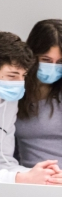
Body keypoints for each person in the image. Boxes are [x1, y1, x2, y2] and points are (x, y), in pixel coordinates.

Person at [0, 31, 60, 184]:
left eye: (24, 76)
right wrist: (21, 178)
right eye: (12, 76)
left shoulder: (9, 102)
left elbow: (2, 161)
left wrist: (43, 175)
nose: (20, 82)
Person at [16, 19, 62, 185]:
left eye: (60, 62)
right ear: (32, 56)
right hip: (28, 182)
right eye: (46, 60)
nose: (53, 67)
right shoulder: (16, 92)